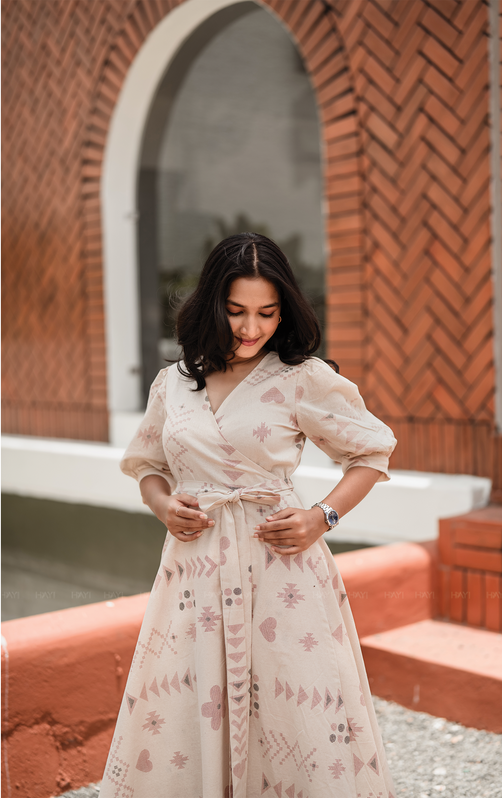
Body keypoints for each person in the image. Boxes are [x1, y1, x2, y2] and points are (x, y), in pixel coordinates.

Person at [99, 232, 397, 797]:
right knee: (188, 706)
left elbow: (372, 452)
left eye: (267, 312)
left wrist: (322, 517)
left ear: (284, 312)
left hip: (282, 566)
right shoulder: (175, 384)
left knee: (296, 709)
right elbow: (146, 465)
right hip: (195, 570)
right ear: (213, 304)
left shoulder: (300, 378)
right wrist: (163, 504)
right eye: (236, 311)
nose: (251, 328)